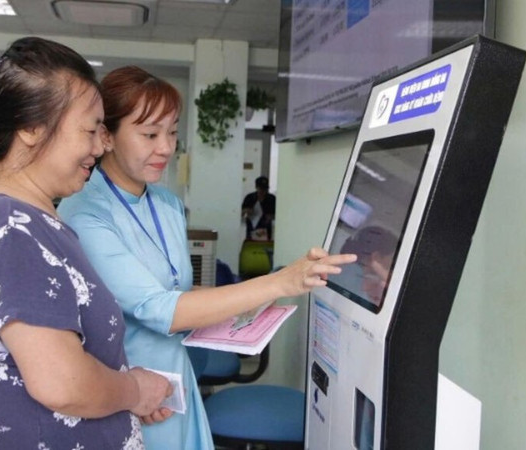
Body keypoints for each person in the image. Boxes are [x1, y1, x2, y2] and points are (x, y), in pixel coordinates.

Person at [57, 65, 357, 449]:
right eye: (150, 134)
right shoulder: (85, 212)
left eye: (172, 132)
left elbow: (174, 288)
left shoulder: (165, 202)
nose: (166, 147)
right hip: (124, 392)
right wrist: (279, 281)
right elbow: (159, 308)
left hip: (175, 383)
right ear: (106, 136)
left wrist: (254, 298)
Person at [0, 37, 171, 449]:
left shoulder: (24, 218)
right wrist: (133, 390)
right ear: (31, 128)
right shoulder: (10, 228)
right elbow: (62, 383)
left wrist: (119, 393)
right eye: (89, 130)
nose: (101, 146)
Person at [241, 175, 276, 240]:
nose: (263, 191)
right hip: (252, 229)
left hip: (266, 230)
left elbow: (278, 215)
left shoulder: (272, 199)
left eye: (265, 189)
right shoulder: (249, 198)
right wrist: (247, 211)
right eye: (261, 189)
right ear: (256, 187)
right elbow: (241, 213)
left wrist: (271, 216)